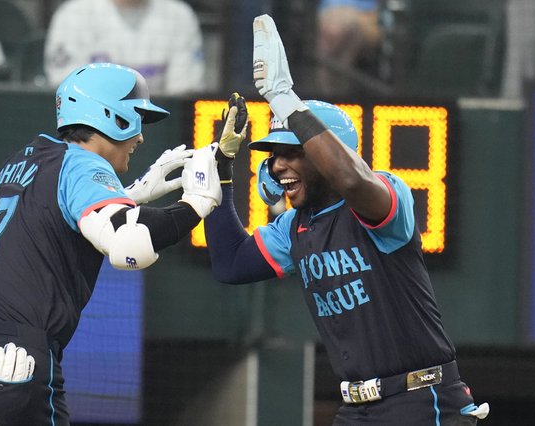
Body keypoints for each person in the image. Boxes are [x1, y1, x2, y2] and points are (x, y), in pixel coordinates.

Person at [203, 15, 490, 424]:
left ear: (328, 152)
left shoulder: (384, 195)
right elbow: (230, 264)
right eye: (275, 154)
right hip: (357, 409)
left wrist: (286, 100)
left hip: (420, 400)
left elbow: (350, 180)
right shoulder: (295, 226)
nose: (279, 164)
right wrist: (221, 174)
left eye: (294, 151)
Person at [0, 62, 222, 426]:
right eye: (137, 118)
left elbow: (56, 218)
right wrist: (196, 205)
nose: (141, 138)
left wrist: (129, 196)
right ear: (112, 117)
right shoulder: (83, 166)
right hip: (9, 360)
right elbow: (128, 246)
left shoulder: (27, 158)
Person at [44, 0, 205, 96]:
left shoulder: (179, 16)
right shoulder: (73, 14)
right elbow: (68, 92)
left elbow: (183, 95)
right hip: (91, 130)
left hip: (157, 126)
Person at [315, 0, 381, 96]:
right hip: (327, 17)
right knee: (328, 32)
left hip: (363, 16)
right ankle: (325, 96)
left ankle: (338, 94)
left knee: (346, 27)